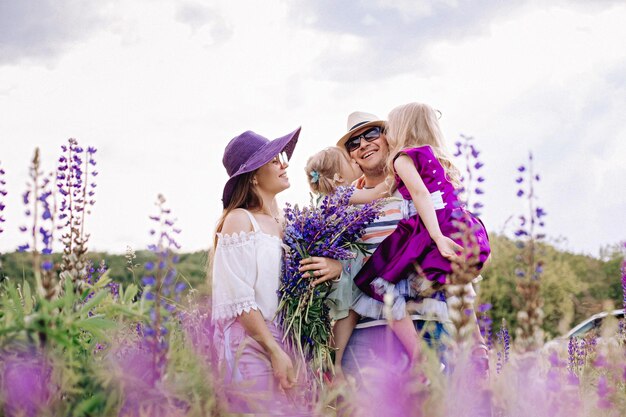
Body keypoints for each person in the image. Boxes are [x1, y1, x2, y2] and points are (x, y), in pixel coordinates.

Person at [211, 128, 339, 414]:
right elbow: (240, 299)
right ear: (254, 175)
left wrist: (334, 266)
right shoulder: (239, 220)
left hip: (289, 338)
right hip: (252, 340)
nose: (284, 164)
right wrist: (273, 349)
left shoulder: (290, 224)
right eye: (274, 160)